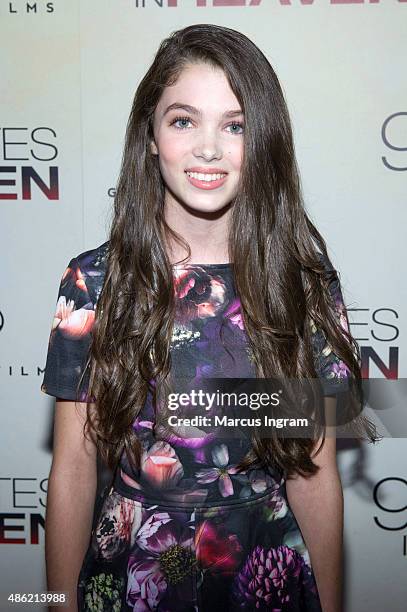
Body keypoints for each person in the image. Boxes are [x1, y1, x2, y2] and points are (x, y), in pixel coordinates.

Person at [41, 24, 380, 612]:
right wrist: (55, 604)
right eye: (183, 120)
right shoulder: (95, 283)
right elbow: (73, 469)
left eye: (235, 125)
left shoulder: (300, 287)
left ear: (263, 139)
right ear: (149, 135)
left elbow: (312, 474)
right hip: (129, 577)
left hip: (264, 574)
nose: (208, 148)